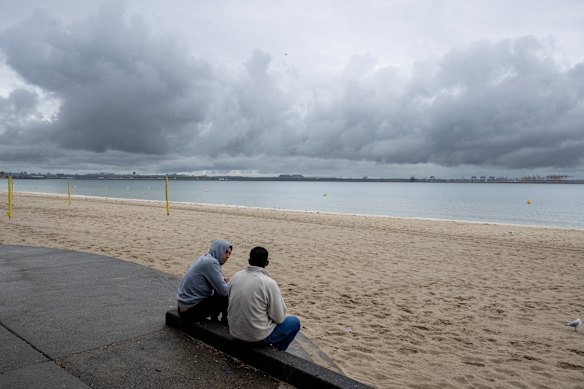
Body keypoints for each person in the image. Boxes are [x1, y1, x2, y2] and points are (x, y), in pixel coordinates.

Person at [228, 246, 300, 351]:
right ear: (267, 263)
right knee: (294, 322)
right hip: (255, 338)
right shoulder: (268, 283)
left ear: (249, 261)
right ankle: (276, 353)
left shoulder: (236, 276)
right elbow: (279, 318)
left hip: (235, 332)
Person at [176, 239, 232, 325]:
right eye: (226, 252)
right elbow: (224, 291)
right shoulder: (211, 263)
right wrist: (229, 283)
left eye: (229, 253)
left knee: (220, 288)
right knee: (228, 294)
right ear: (218, 250)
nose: (228, 256)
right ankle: (225, 323)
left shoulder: (205, 257)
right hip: (189, 313)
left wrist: (222, 280)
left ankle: (215, 319)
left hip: (183, 307)